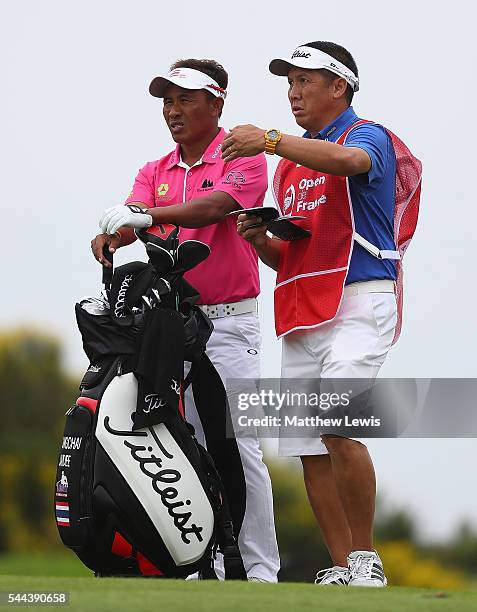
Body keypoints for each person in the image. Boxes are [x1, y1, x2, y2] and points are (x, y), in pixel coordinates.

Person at [221, 41, 420, 587]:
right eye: (289, 82)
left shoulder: (365, 134)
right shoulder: (290, 163)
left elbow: (352, 164)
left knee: (338, 427)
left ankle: (365, 558)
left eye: (305, 80)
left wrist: (267, 140)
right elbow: (293, 253)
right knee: (308, 448)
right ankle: (340, 567)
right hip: (301, 309)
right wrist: (262, 239)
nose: (293, 91)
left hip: (360, 301)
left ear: (340, 87)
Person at [91, 58, 280, 582]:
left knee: (238, 445)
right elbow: (133, 216)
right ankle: (204, 566)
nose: (173, 111)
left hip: (230, 323)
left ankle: (260, 570)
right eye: (167, 102)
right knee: (180, 444)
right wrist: (111, 236)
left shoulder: (242, 157)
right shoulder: (155, 170)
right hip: (172, 326)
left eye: (185, 99)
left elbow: (216, 207)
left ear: (217, 103)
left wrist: (149, 216)